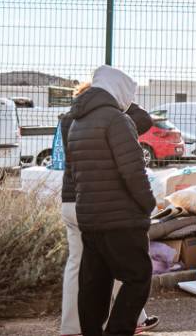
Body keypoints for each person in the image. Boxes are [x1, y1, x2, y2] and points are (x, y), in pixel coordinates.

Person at [63, 66, 157, 336]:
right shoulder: (116, 120)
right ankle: (117, 331)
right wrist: (148, 204)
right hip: (122, 217)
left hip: (90, 217)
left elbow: (76, 172)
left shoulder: (78, 121)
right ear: (118, 90)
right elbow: (132, 170)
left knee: (95, 284)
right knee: (138, 277)